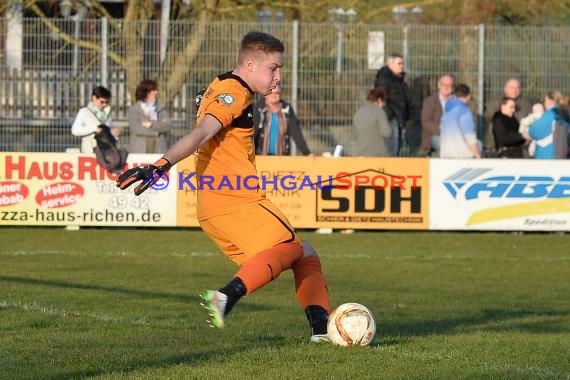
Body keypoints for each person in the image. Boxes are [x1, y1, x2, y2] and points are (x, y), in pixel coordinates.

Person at [116, 31, 330, 343]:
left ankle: (321, 332)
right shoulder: (235, 93)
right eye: (274, 68)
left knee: (303, 253)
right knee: (294, 247)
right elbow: (202, 132)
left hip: (214, 207)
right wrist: (161, 164)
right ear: (251, 63)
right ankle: (226, 296)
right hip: (235, 200)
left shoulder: (222, 85)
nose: (278, 77)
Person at [253, 85, 312, 155]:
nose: (274, 95)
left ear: (280, 94)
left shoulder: (287, 109)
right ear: (266, 94)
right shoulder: (259, 108)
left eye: (277, 93)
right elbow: (253, 131)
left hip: (282, 156)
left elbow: (296, 132)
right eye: (271, 92)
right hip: (261, 155)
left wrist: (307, 153)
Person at [373, 53, 412, 156]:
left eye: (403, 64)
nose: (402, 66)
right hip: (391, 119)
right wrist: (390, 116)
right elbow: (380, 99)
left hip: (399, 119)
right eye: (399, 63)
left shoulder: (399, 80)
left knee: (397, 149)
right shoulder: (385, 78)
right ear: (390, 63)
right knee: (391, 150)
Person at [484, 78, 531, 153]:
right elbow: (488, 117)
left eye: (517, 88)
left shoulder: (525, 104)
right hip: (496, 144)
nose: (514, 90)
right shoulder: (495, 102)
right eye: (512, 88)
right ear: (505, 89)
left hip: (520, 144)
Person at [127, 79, 173, 154]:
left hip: (159, 148)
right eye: (151, 91)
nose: (155, 93)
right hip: (139, 148)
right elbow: (136, 128)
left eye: (155, 90)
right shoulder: (134, 109)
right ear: (144, 92)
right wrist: (157, 132)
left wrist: (152, 125)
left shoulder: (161, 107)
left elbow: (168, 125)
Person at [71, 86, 120, 153]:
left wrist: (113, 133)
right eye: (102, 102)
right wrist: (94, 128)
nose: (104, 105)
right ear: (94, 98)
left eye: (107, 102)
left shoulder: (107, 114)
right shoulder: (85, 112)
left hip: (106, 152)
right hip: (89, 151)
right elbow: (75, 130)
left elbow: (108, 131)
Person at [439, 84, 481, 159]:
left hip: (446, 154)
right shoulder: (464, 111)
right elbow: (470, 137)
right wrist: (477, 156)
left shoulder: (446, 112)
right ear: (468, 96)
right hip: (462, 155)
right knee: (479, 145)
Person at [528, 90, 570, 159]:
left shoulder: (550, 114)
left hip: (548, 154)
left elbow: (533, 131)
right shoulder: (565, 114)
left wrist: (529, 127)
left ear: (548, 100)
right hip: (563, 153)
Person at [420, 74, 454, 157]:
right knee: (446, 146)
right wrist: (442, 131)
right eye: (444, 84)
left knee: (478, 144)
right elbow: (426, 122)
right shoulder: (430, 101)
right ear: (439, 86)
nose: (447, 87)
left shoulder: (456, 101)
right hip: (435, 135)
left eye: (449, 85)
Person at [352, 87, 391, 156]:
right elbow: (386, 132)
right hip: (378, 153)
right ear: (379, 100)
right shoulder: (379, 112)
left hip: (361, 153)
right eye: (383, 103)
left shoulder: (358, 113)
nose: (383, 105)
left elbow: (355, 135)